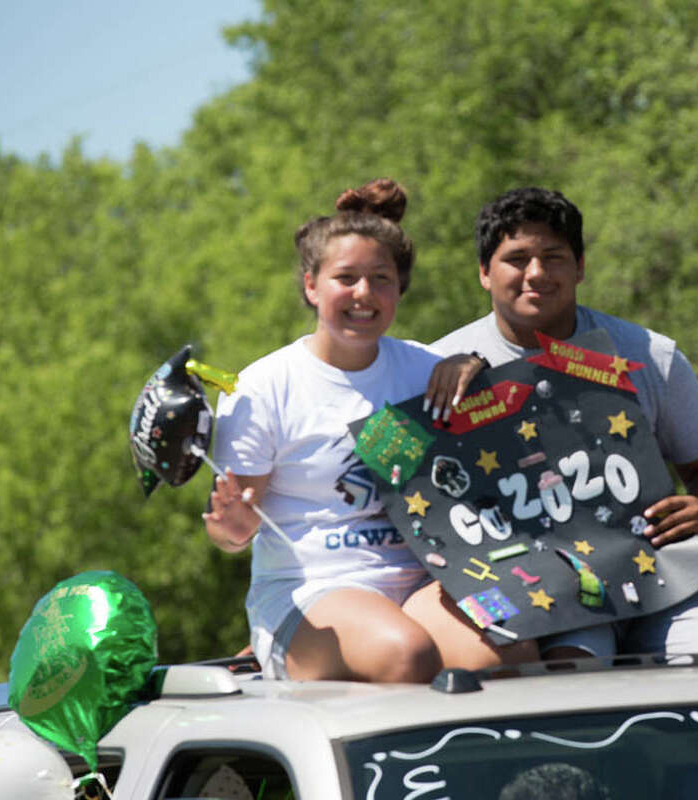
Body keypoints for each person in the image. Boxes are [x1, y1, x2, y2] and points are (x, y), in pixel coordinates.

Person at [203, 179, 536, 682]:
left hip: (431, 579)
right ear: (312, 286)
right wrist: (231, 528)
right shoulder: (262, 386)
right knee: (406, 655)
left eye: (381, 278)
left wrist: (476, 369)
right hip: (311, 590)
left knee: (514, 645)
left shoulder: (429, 369)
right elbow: (231, 535)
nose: (364, 294)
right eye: (346, 278)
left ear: (399, 287)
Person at [432, 186, 698, 660]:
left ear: (580, 266)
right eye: (517, 258)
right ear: (485, 272)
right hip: (547, 596)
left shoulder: (650, 356)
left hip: (664, 577)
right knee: (575, 673)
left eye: (554, 256)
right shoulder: (437, 370)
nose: (537, 273)